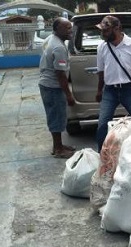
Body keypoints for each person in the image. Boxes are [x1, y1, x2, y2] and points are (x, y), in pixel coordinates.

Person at [95, 15, 131, 153]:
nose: (102, 34)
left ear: (117, 28)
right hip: (110, 91)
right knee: (103, 125)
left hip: (130, 89)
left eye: (105, 30)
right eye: (102, 30)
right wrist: (99, 90)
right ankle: (101, 157)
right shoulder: (102, 47)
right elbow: (101, 71)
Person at [38, 17, 76, 159]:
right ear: (57, 29)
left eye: (70, 27)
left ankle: (58, 145)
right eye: (67, 28)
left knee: (55, 115)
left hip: (47, 84)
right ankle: (58, 149)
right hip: (53, 86)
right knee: (57, 117)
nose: (70, 30)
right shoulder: (59, 47)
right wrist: (69, 95)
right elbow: (60, 74)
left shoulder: (51, 39)